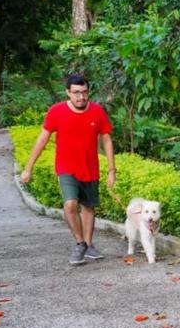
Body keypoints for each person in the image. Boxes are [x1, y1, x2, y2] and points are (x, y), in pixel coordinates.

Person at [21, 74, 116, 265]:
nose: (81, 97)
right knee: (70, 204)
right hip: (66, 168)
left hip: (90, 168)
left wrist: (112, 170)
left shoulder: (97, 111)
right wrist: (28, 168)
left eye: (84, 92)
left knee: (88, 207)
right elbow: (43, 139)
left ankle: (88, 245)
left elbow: (106, 139)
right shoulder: (57, 111)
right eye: (76, 93)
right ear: (68, 92)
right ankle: (80, 243)